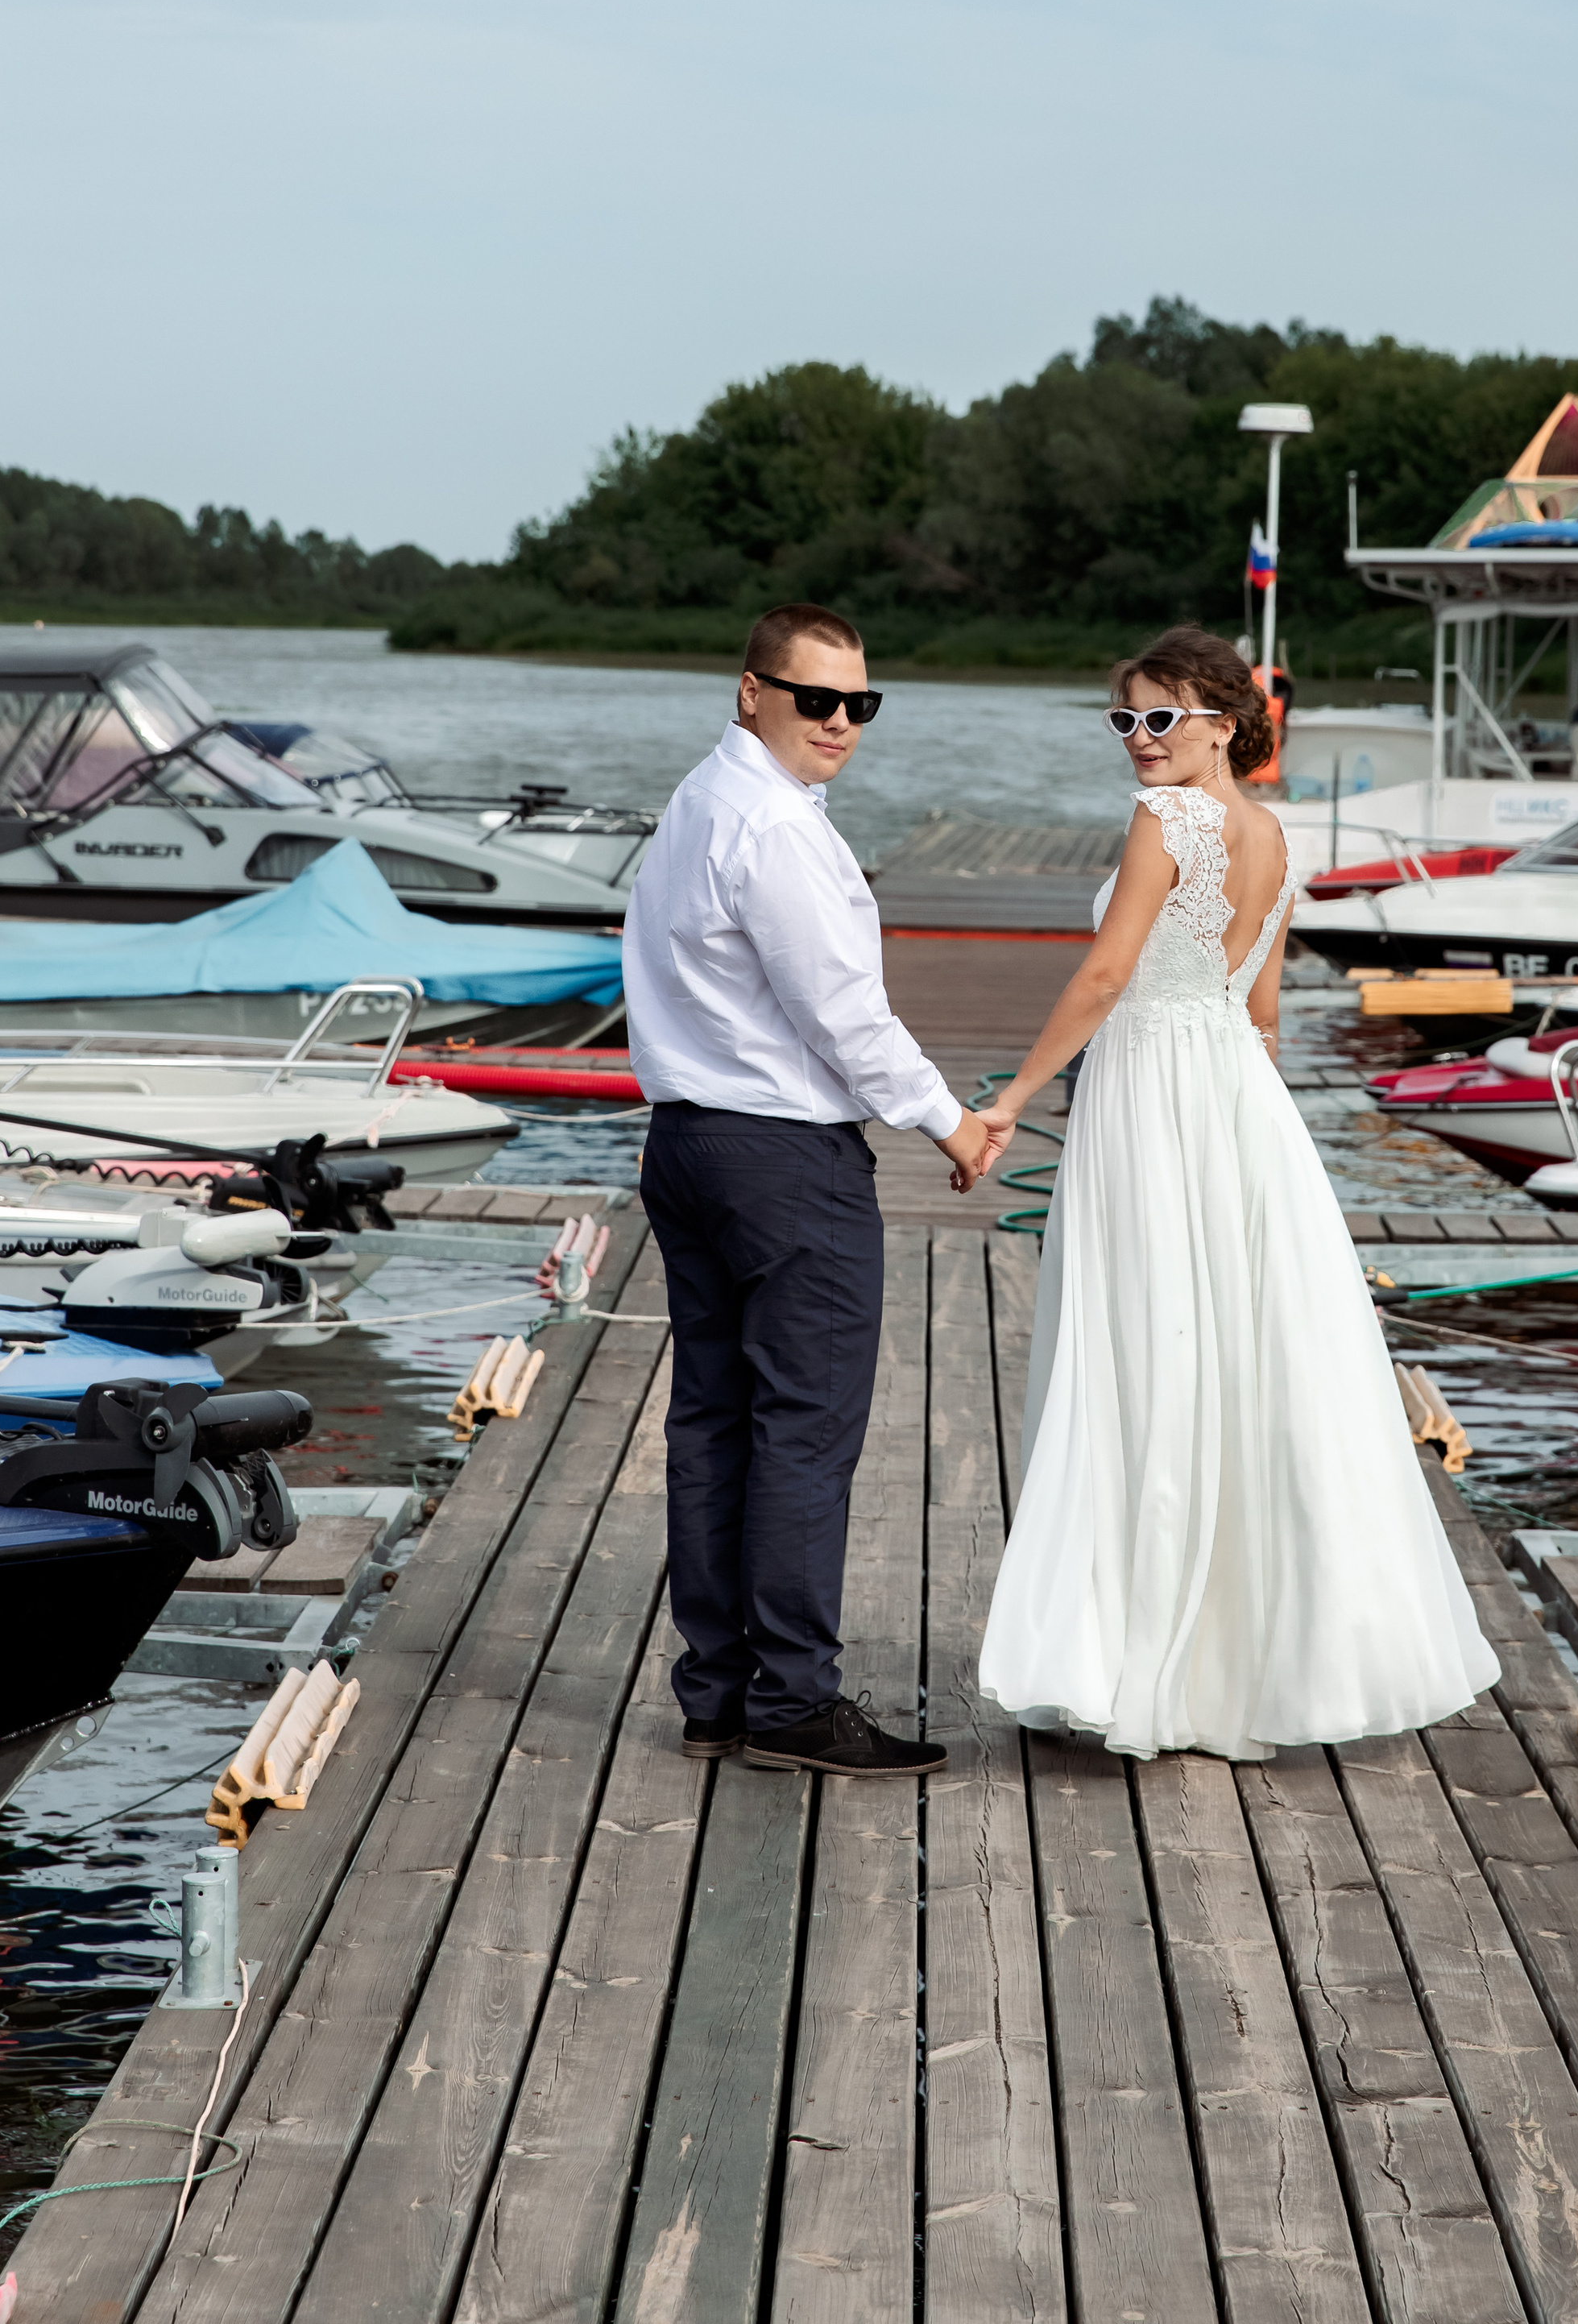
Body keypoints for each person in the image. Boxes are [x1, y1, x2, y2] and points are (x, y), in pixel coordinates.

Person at [975, 624, 1499, 1759]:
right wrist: (1248, 1151)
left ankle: (1124, 1661)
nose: (1138, 741)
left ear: (1222, 721)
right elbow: (1261, 1017)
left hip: (1153, 1090)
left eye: (1159, 717)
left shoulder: (1170, 821)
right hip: (1230, 1100)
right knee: (1228, 1355)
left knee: (1139, 1352)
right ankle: (1217, 1662)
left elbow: (1111, 973)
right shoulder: (1274, 836)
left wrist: (1015, 1095)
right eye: (1124, 719)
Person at [624, 603, 1000, 1777]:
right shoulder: (775, 827)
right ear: (753, 692)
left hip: (687, 1140)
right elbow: (841, 1014)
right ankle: (789, 1701)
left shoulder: (698, 801)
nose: (841, 723)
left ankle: (720, 1693)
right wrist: (950, 1118)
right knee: (803, 1427)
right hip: (782, 1159)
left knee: (715, 1417)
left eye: (860, 703)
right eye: (816, 699)